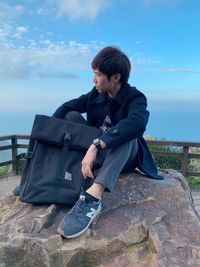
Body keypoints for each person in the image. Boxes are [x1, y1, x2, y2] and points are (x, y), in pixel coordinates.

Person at [54, 46, 163, 239]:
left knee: (126, 133)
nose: (93, 80)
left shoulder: (135, 97)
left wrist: (96, 145)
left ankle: (92, 198)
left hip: (123, 156)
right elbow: (67, 107)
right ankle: (46, 174)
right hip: (97, 154)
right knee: (71, 115)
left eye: (97, 74)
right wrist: (45, 133)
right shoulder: (97, 93)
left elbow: (137, 123)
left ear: (115, 78)